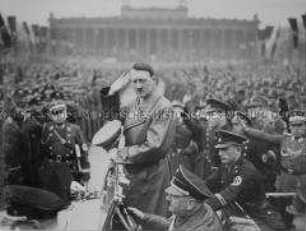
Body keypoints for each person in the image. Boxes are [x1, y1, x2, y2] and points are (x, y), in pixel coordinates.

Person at [109, 63, 176, 218]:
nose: (138, 86)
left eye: (142, 80)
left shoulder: (163, 107)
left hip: (152, 176)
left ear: (153, 79)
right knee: (133, 219)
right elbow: (113, 121)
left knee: (150, 220)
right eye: (134, 81)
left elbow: (155, 147)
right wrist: (112, 94)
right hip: (135, 173)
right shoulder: (134, 103)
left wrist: (121, 154)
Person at [204, 130, 286, 231]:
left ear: (238, 150)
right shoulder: (226, 166)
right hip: (239, 213)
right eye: (219, 150)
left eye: (225, 149)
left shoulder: (247, 170)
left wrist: (203, 206)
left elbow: (228, 194)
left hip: (258, 218)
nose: (220, 153)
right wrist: (191, 193)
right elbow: (207, 183)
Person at [242, 110, 306, 220]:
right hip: (285, 178)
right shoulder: (284, 139)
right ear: (290, 126)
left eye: (299, 125)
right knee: (283, 204)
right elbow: (265, 136)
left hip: (303, 178)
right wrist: (247, 130)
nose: (296, 128)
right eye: (293, 125)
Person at [128, 165, 223, 231]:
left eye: (173, 196)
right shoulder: (193, 211)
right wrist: (144, 217)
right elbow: (171, 224)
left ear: (190, 203)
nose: (167, 198)